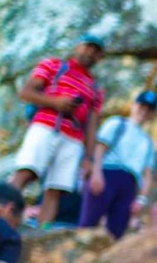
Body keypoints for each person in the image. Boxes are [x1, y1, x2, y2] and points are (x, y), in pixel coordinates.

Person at [10, 35, 106, 228]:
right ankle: (0, 215)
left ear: (99, 57)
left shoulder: (95, 88)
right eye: (88, 47)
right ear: (77, 47)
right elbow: (26, 92)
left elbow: (91, 123)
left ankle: (43, 230)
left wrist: (89, 157)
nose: (90, 53)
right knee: (26, 172)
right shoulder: (53, 65)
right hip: (46, 126)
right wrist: (55, 102)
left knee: (56, 189)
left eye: (96, 51)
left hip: (74, 138)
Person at [80, 90, 157, 238]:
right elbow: (100, 149)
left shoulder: (148, 142)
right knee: (88, 224)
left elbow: (148, 174)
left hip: (130, 183)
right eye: (142, 106)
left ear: (152, 114)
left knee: (117, 231)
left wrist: (141, 198)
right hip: (108, 174)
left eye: (149, 109)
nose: (144, 111)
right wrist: (96, 174)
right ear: (134, 105)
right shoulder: (117, 123)